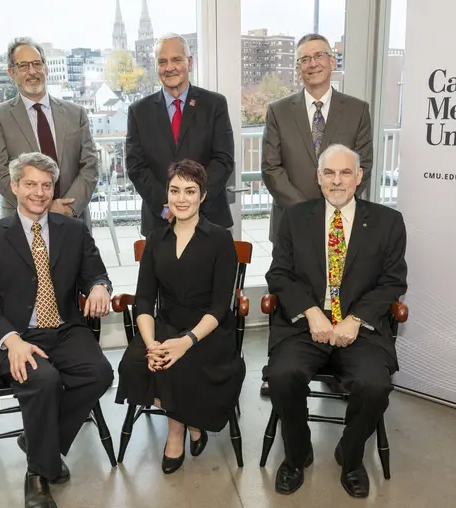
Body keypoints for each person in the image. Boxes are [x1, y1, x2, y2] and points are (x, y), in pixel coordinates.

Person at [0, 152, 114, 508]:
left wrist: (98, 287)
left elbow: (97, 273)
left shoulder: (74, 230)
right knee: (44, 380)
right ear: (14, 187)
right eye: (30, 184)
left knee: (100, 373)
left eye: (46, 185)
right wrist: (11, 340)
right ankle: (38, 475)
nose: (39, 192)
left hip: (63, 329)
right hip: (13, 336)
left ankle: (36, 445)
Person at [264, 144, 406, 499]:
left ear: (359, 177)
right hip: (304, 325)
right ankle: (297, 454)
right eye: (329, 173)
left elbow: (393, 282)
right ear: (318, 178)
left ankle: (352, 454)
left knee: (374, 385)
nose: (337, 180)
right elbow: (279, 274)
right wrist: (311, 311)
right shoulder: (295, 218)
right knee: (282, 376)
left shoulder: (388, 222)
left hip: (361, 328)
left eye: (345, 173)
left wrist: (355, 320)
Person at [115, 159, 246, 474]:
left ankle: (177, 432)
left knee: (179, 364)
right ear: (167, 193)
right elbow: (144, 299)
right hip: (165, 323)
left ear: (202, 196)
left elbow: (219, 307)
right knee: (132, 363)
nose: (182, 198)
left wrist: (184, 342)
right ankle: (191, 420)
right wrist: (151, 344)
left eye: (190, 191)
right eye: (175, 190)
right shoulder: (156, 240)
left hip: (208, 330)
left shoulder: (219, 239)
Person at [261, 33, 373, 244]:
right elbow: (271, 168)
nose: (312, 64)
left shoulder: (357, 110)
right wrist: (306, 213)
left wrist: (331, 207)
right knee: (287, 278)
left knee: (337, 277)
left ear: (332, 61)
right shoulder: (278, 111)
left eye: (319, 56)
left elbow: (363, 166)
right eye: (304, 59)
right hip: (290, 222)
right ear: (297, 69)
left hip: (340, 221)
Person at [126, 33, 235, 237]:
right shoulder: (139, 111)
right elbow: (136, 166)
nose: (169, 67)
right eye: (162, 62)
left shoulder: (214, 105)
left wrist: (194, 200)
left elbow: (223, 159)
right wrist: (168, 204)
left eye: (176, 59)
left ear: (190, 63)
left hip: (209, 217)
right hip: (160, 220)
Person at [0, 37, 98, 227]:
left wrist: (69, 207)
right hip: (22, 221)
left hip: (72, 217)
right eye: (23, 66)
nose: (32, 71)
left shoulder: (75, 113)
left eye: (37, 64)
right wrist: (41, 206)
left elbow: (90, 165)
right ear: (11, 72)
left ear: (46, 68)